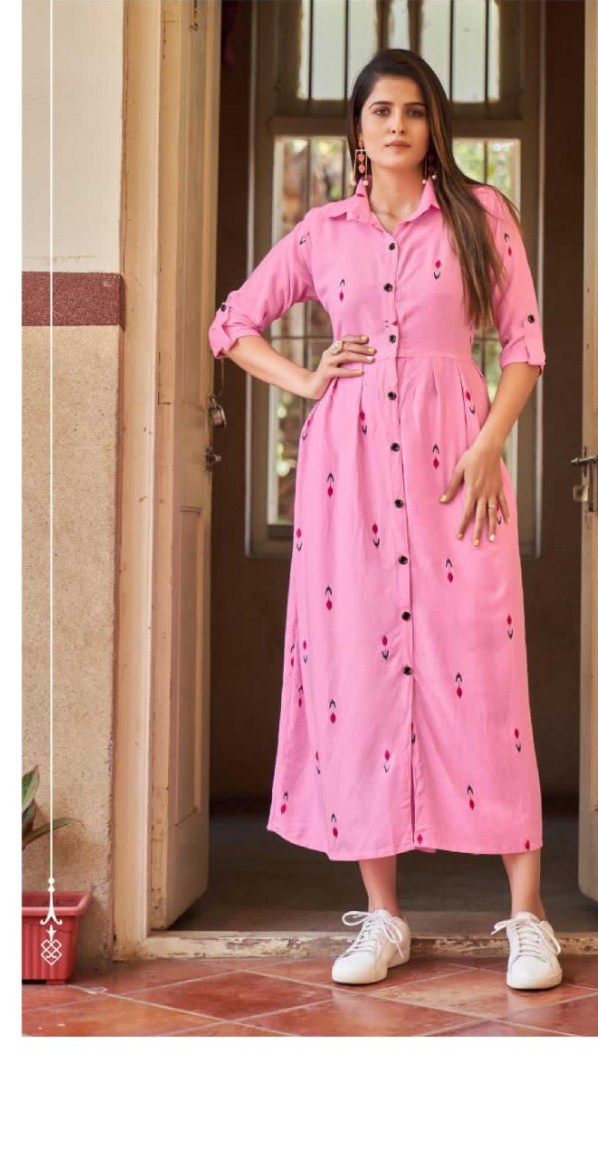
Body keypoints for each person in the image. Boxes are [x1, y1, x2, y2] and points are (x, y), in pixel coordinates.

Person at [208, 48, 562, 992]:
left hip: (459, 470)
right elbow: (230, 324)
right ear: (357, 130)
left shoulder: (481, 215)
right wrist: (304, 379)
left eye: (411, 110)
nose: (396, 125)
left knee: (487, 677)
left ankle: (528, 917)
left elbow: (524, 343)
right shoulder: (322, 232)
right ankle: (383, 916)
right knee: (358, 677)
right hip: (348, 476)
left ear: (432, 123)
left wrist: (489, 443)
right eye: (379, 112)